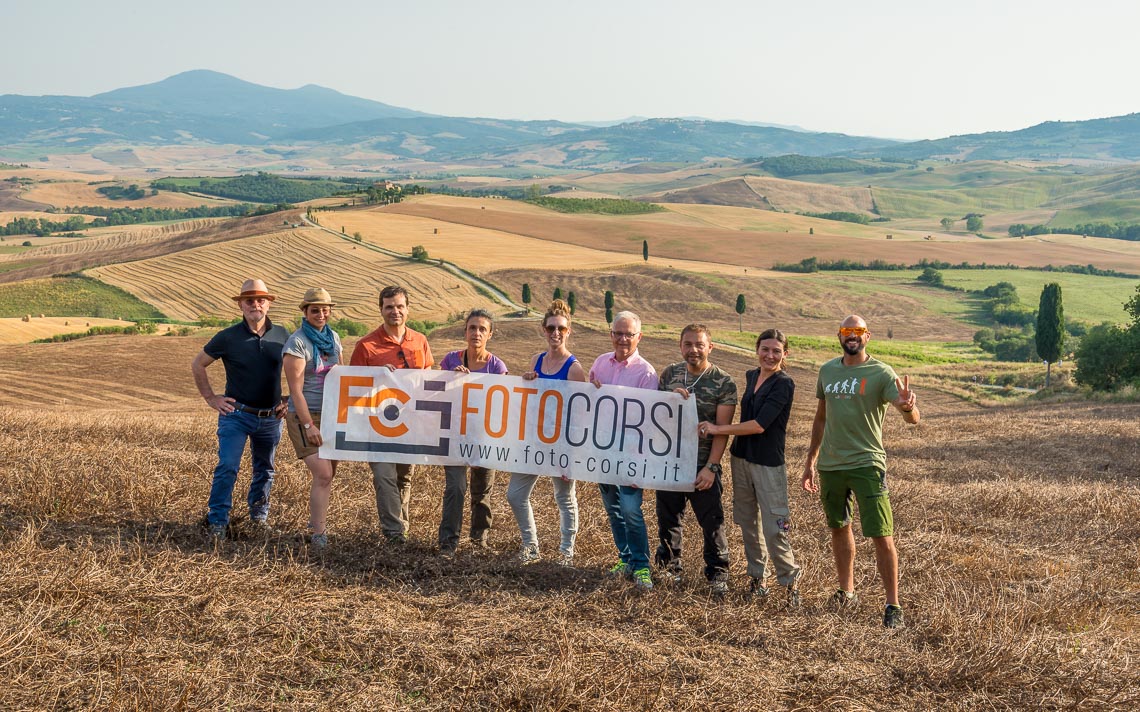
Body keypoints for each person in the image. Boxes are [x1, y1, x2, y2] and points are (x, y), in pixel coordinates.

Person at [801, 315, 919, 629]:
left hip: (867, 464)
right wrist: (811, 460)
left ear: (867, 337)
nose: (851, 336)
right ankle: (846, 591)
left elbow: (912, 419)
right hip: (831, 466)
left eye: (858, 331)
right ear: (839, 335)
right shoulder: (827, 370)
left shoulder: (880, 372)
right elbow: (821, 419)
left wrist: (908, 407)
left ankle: (893, 605)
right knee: (839, 527)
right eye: (846, 331)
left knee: (882, 535)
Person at [700, 328, 800, 605]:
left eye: (776, 351)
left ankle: (790, 585)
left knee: (775, 526)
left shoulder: (784, 383)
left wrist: (719, 428)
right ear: (757, 350)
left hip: (768, 464)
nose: (770, 355)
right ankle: (758, 578)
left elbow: (759, 425)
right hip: (741, 459)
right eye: (765, 349)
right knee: (747, 523)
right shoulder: (751, 376)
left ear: (785, 354)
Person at [191, 279, 289, 541]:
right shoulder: (227, 337)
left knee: (265, 469)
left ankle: (258, 519)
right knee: (228, 466)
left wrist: (289, 400)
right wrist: (211, 398)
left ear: (269, 303)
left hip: (270, 417)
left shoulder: (283, 335)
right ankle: (218, 523)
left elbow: (301, 370)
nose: (255, 304)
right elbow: (198, 364)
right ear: (241, 305)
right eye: (249, 300)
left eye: (260, 300)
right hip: (236, 415)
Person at [655, 324, 737, 595]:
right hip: (670, 464)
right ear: (680, 346)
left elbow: (721, 431)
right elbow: (655, 415)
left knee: (712, 522)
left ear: (710, 347)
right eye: (688, 344)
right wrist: (670, 396)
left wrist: (711, 468)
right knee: (668, 520)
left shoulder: (723, 382)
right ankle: (669, 569)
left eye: (699, 344)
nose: (693, 350)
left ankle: (718, 573)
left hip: (703, 465)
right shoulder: (670, 374)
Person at [349, 285, 435, 544]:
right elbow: (353, 387)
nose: (395, 311)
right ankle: (394, 534)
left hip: (411, 424)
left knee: (404, 478)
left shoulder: (420, 340)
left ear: (407, 309)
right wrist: (375, 378)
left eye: (399, 306)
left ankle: (403, 528)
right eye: (389, 307)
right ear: (381, 310)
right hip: (377, 426)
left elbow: (428, 377)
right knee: (384, 476)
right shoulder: (366, 345)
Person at [507, 298, 586, 566]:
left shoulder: (574, 369)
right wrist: (526, 381)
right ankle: (531, 547)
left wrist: (571, 451)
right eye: (551, 328)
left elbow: (579, 415)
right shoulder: (535, 360)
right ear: (543, 329)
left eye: (561, 329)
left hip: (562, 444)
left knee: (564, 497)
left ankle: (566, 554)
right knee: (515, 495)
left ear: (568, 332)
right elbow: (529, 400)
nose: (555, 333)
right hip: (534, 439)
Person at [588, 310, 658, 590]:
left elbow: (649, 421)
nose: (623, 339)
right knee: (613, 508)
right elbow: (587, 404)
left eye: (629, 334)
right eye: (618, 333)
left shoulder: (646, 373)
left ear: (639, 337)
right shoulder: (600, 363)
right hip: (603, 451)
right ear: (611, 335)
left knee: (631, 509)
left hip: (631, 455)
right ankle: (625, 557)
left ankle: (641, 566)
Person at [437, 309, 508, 558]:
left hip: (485, 437)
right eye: (472, 328)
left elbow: (505, 401)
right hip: (455, 435)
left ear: (490, 334)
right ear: (465, 331)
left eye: (482, 329)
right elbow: (435, 393)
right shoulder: (449, 361)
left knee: (482, 491)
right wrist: (451, 380)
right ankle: (448, 543)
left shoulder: (497, 366)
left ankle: (480, 541)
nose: (476, 333)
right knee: (455, 488)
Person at [282, 288, 342, 550]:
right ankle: (319, 535)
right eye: (314, 309)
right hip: (304, 414)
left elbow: (342, 376)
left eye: (324, 309)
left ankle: (317, 524)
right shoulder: (297, 343)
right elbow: (295, 390)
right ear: (304, 312)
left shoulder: (334, 339)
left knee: (328, 476)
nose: (321, 313)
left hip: (331, 413)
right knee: (323, 472)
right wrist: (309, 425)